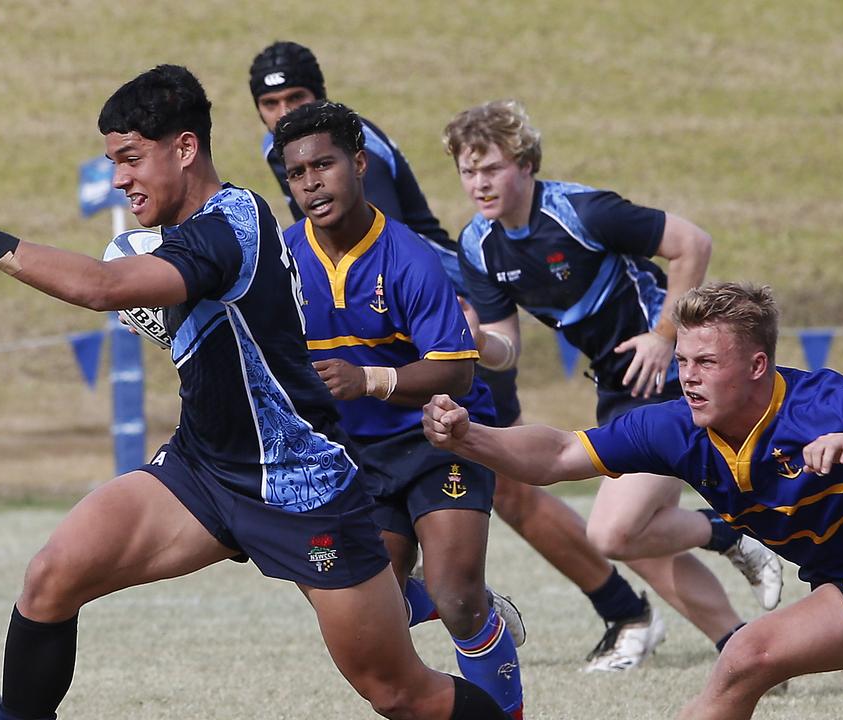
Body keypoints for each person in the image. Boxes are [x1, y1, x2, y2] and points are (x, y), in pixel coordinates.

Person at [0, 64, 509, 720]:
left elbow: (102, 289)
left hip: (298, 488)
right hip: (204, 472)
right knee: (52, 577)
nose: (119, 178)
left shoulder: (232, 225)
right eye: (113, 161)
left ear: (185, 148)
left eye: (131, 158)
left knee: (400, 693)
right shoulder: (183, 238)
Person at [249, 39, 672, 672]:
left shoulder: (357, 153)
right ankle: (492, 601)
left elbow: (383, 251)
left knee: (509, 490)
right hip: (384, 359)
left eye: (298, 98)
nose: (285, 111)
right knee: (384, 575)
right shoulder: (293, 158)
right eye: (271, 103)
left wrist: (376, 364)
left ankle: (619, 610)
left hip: (439, 324)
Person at [423, 282, 843, 718]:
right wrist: (469, 438)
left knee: (748, 656)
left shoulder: (828, 409)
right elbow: (559, 455)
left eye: (707, 362)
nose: (689, 377)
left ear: (757, 366)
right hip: (841, 575)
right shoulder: (675, 429)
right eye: (682, 360)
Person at [443, 100, 784, 667]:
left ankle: (728, 532)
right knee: (639, 540)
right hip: (618, 385)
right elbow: (506, 350)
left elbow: (692, 244)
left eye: (492, 168)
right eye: (468, 172)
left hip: (672, 374)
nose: (479, 183)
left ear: (525, 164)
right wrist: (477, 342)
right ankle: (743, 649)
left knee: (612, 532)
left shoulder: (583, 212)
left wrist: (662, 333)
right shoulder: (479, 246)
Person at [276, 100, 524, 717]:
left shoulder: (408, 256)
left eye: (324, 165)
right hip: (355, 457)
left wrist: (370, 380)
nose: (312, 183)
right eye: (297, 173)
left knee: (458, 594)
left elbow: (459, 369)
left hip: (438, 438)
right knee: (364, 613)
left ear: (359, 164)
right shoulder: (281, 261)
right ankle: (437, 598)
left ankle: (472, 631)